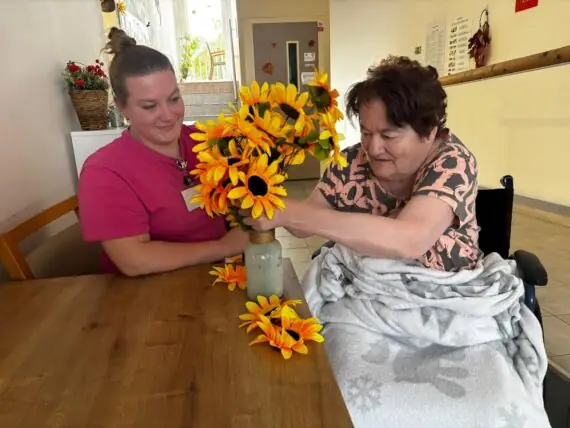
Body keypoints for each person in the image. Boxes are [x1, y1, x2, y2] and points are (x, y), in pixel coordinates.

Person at [246, 55, 482, 272]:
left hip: (442, 290)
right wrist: (269, 206)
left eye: (388, 136)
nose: (373, 148)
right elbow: (302, 225)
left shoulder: (452, 164)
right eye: (366, 133)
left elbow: (409, 240)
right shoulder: (351, 162)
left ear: (429, 131)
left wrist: (292, 213)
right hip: (364, 284)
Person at [78, 28, 248, 276]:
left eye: (174, 99)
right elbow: (134, 260)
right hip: (150, 292)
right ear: (122, 107)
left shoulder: (205, 141)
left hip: (220, 278)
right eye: (150, 106)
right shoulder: (104, 171)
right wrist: (223, 247)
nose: (168, 115)